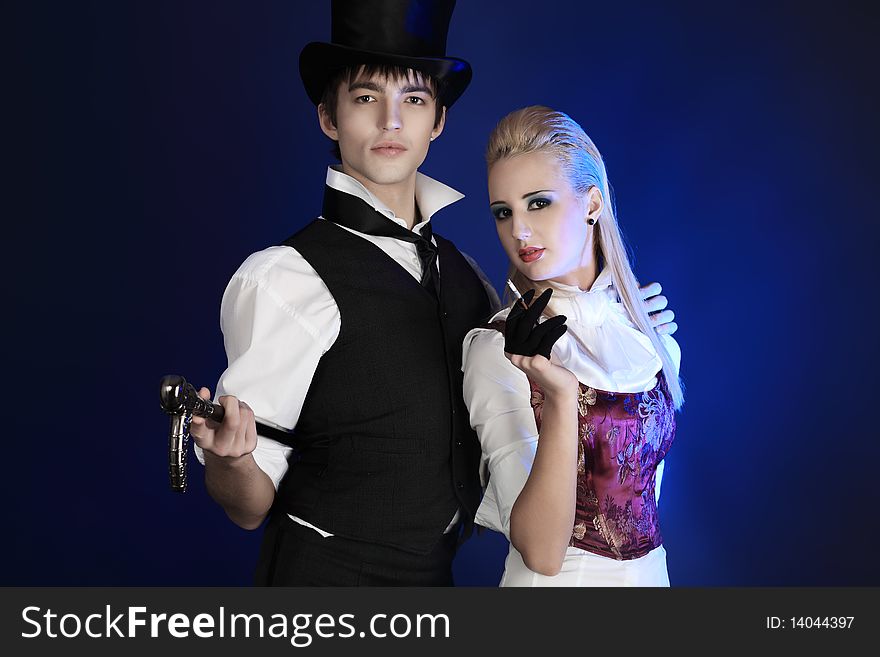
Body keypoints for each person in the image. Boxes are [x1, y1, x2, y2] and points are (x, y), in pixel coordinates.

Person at [189, 1, 678, 586]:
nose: (391, 122)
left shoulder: (467, 276)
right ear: (328, 116)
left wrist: (614, 319)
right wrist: (229, 458)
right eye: (366, 98)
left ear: (438, 120)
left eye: (414, 100)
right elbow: (248, 506)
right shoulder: (285, 278)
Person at [462, 106, 683, 586]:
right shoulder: (497, 349)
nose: (519, 230)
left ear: (592, 204)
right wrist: (561, 397)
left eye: (538, 203)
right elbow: (541, 552)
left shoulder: (650, 339)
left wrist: (635, 321)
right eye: (504, 212)